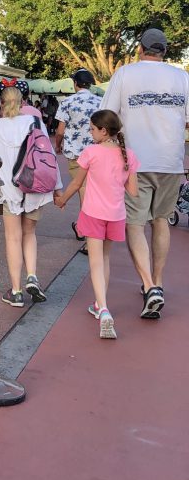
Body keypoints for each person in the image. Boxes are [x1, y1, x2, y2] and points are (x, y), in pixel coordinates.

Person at [102, 28, 189, 320]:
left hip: (135, 161)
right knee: (161, 220)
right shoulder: (182, 78)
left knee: (135, 224)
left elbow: (107, 117)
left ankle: (149, 285)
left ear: (140, 48)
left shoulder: (125, 74)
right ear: (165, 50)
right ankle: (158, 282)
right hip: (170, 161)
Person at [54, 110, 139, 340]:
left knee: (95, 262)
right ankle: (99, 304)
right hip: (116, 214)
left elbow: (76, 184)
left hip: (93, 213)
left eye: (92, 129)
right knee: (105, 258)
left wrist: (62, 200)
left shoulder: (91, 152)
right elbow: (133, 191)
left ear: (103, 130)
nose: (90, 132)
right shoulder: (128, 155)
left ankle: (103, 310)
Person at [0, 86, 59, 306]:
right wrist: (57, 187)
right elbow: (49, 156)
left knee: (13, 238)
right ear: (23, 102)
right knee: (30, 234)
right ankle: (32, 276)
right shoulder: (35, 123)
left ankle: (16, 291)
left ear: (1, 103)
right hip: (35, 187)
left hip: (9, 189)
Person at [54, 68, 99, 248]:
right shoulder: (101, 102)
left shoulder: (67, 102)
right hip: (98, 154)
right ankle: (82, 228)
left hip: (76, 155)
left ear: (75, 84)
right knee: (91, 193)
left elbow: (60, 131)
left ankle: (87, 235)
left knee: (84, 193)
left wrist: (58, 145)